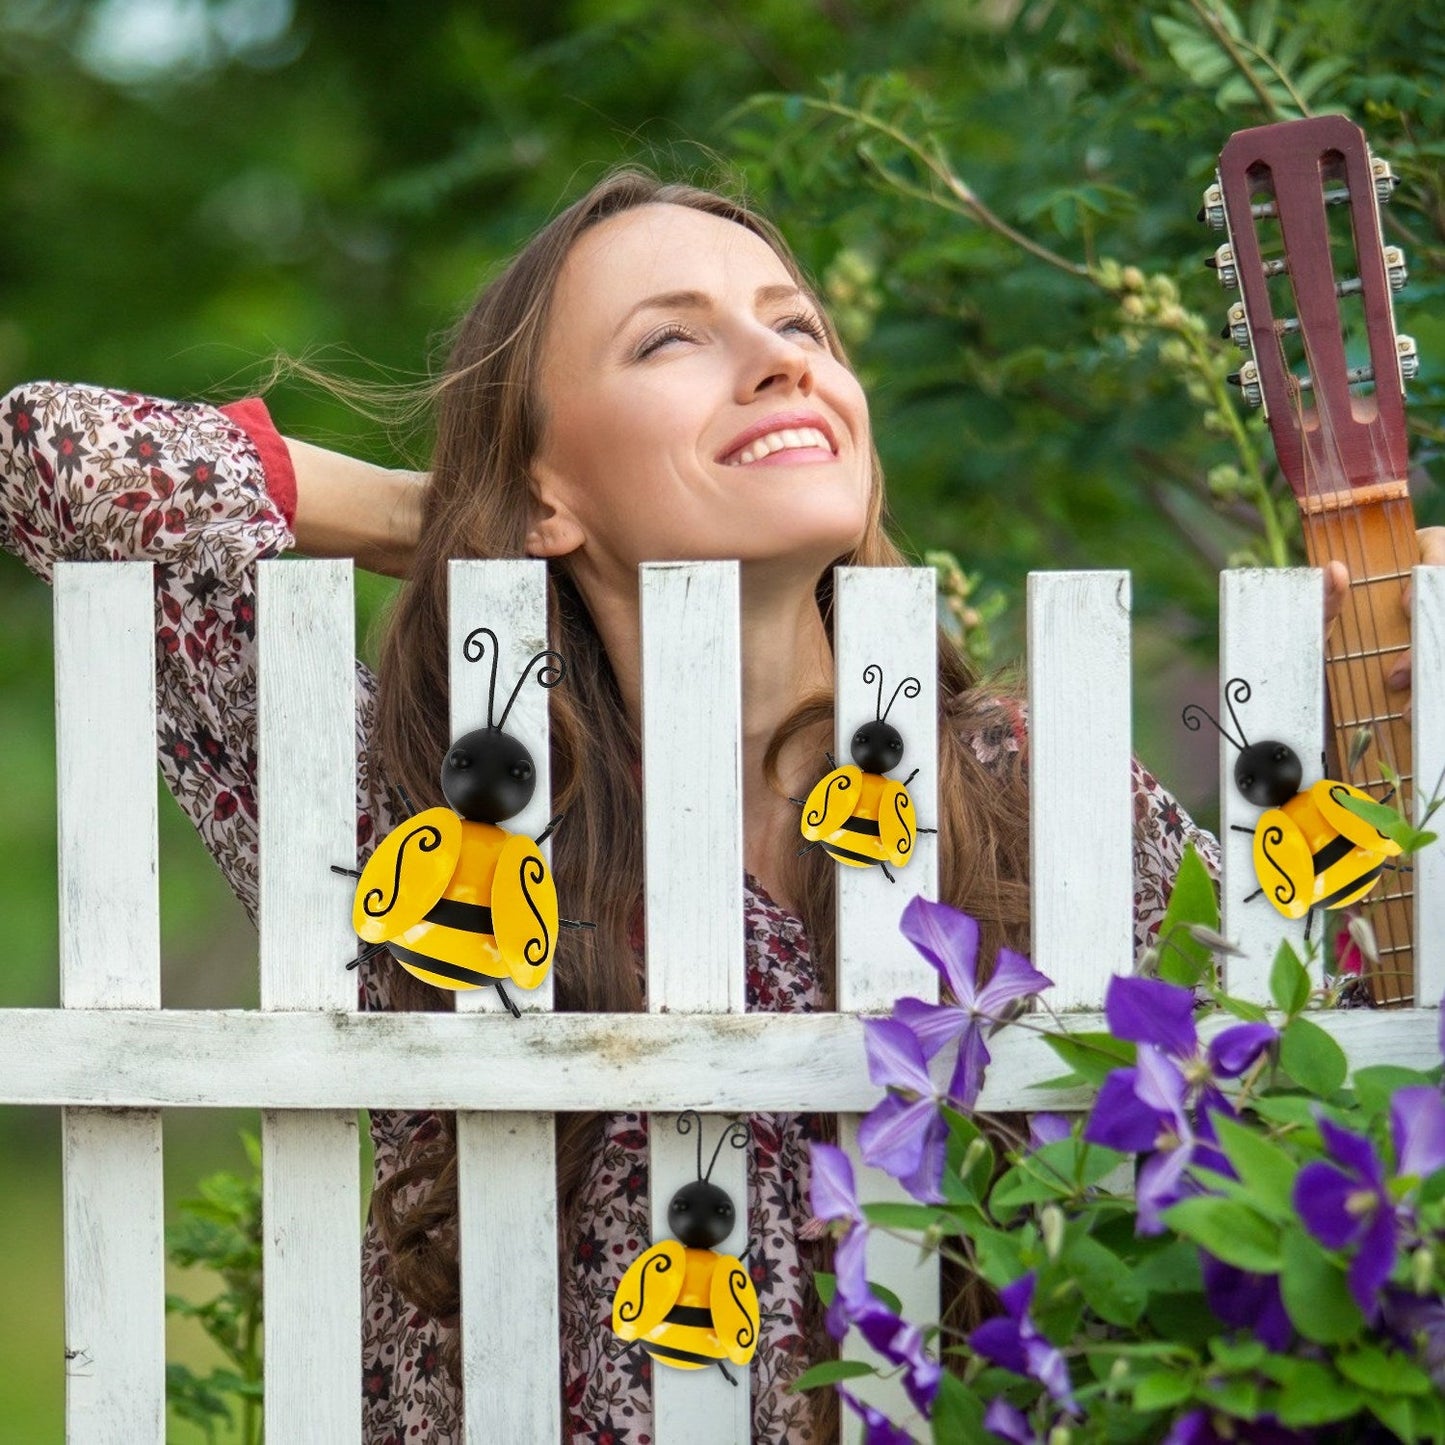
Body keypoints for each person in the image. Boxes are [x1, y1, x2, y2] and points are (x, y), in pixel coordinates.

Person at [1, 168, 1437, 1445]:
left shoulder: (1030, 794)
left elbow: (1337, 1072)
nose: (774, 362)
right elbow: (57, 459)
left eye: (797, 325)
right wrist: (451, 516)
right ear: (548, 482)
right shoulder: (415, 817)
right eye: (671, 338)